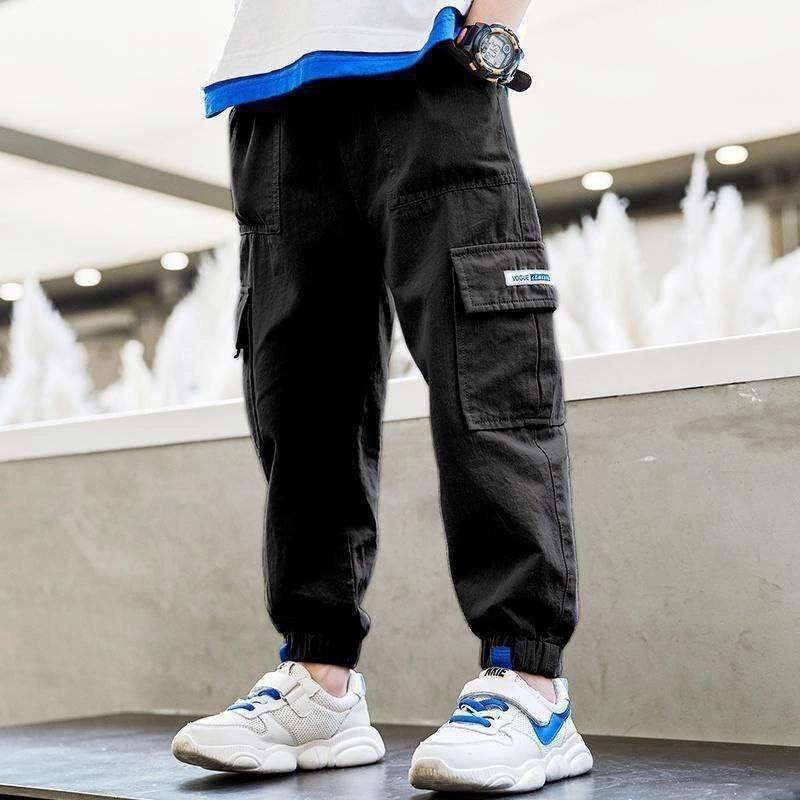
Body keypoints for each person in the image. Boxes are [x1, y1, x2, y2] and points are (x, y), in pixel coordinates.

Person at [171, 0, 593, 792]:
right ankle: (318, 682)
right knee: (301, 403)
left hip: (426, 63)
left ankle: (530, 685)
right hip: (271, 91)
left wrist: (494, 28)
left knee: (486, 380)